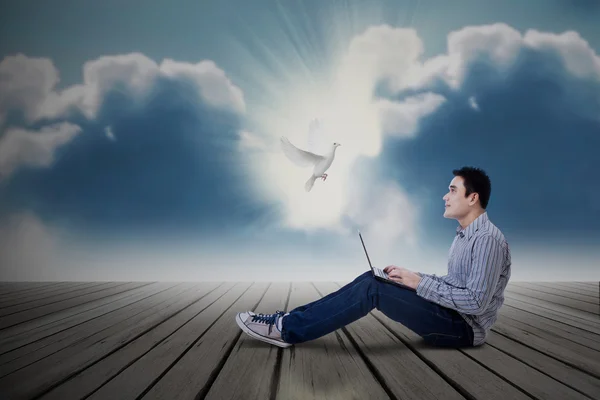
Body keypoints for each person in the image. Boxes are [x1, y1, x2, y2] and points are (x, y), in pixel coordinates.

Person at [235, 166, 511, 348]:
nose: (444, 196)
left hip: (463, 329)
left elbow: (475, 301)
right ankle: (289, 321)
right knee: (374, 278)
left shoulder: (486, 239)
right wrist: (412, 277)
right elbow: (455, 283)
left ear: (472, 198)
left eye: (452, 190)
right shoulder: (464, 236)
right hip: (451, 316)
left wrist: (419, 284)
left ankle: (286, 331)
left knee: (373, 289)